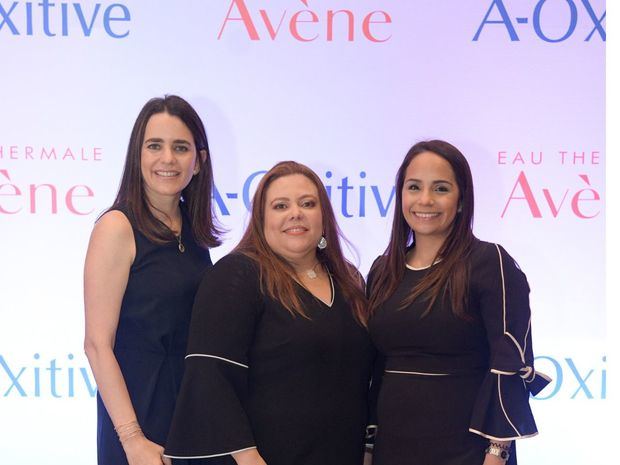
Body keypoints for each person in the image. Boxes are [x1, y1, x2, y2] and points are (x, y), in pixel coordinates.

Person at [164, 161, 374, 465]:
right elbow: (210, 374)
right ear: (262, 219)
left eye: (307, 203)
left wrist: (368, 449)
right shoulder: (237, 276)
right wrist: (247, 456)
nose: (295, 213)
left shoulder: (349, 281)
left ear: (324, 217)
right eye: (280, 205)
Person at [366, 140, 550, 465]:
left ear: (461, 199)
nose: (425, 200)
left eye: (440, 188)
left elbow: (508, 363)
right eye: (414, 187)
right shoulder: (383, 270)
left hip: (466, 449)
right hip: (393, 447)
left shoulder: (489, 262)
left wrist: (497, 453)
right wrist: (368, 449)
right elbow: (373, 368)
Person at [84, 95, 221, 465]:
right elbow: (97, 344)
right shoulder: (116, 227)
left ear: (199, 161)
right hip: (138, 419)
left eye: (181, 148)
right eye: (154, 146)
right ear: (138, 155)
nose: (167, 159)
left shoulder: (193, 232)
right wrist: (132, 439)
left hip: (188, 417)